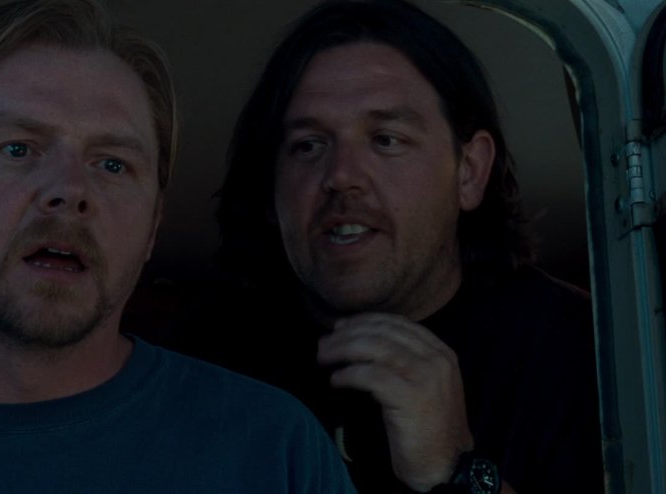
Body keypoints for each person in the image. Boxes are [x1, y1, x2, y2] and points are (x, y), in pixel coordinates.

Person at [0, 1, 357, 492]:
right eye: (18, 149)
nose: (70, 189)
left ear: (153, 225)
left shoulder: (278, 451)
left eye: (113, 164)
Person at [166, 0, 604, 492]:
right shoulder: (196, 369)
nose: (341, 176)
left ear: (469, 171)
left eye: (386, 139)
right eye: (308, 144)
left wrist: (456, 469)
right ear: (270, 187)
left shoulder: (587, 356)